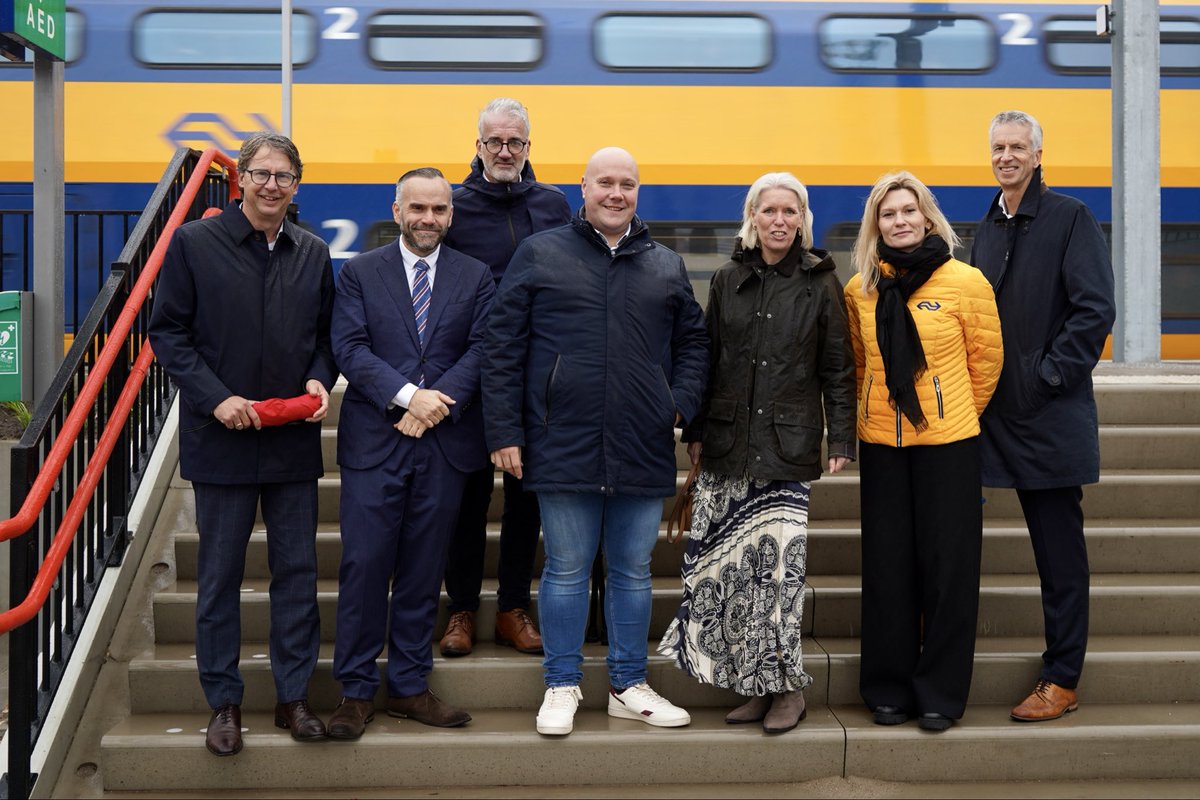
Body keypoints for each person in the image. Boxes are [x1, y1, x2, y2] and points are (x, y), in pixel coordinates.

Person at [483, 147, 708, 736]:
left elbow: (694, 343)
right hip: (561, 439)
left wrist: (677, 404)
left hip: (641, 439)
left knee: (633, 569)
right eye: (604, 182)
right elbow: (502, 346)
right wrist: (504, 430)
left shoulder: (665, 264)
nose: (616, 193)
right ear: (582, 188)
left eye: (627, 184)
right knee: (565, 569)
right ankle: (561, 683)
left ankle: (627, 685)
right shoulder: (541, 253)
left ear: (638, 192)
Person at [148, 132, 337, 756]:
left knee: (297, 575)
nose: (272, 185)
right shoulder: (193, 243)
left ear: (296, 184)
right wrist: (215, 397)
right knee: (219, 578)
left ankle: (293, 699)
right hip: (220, 439)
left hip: (289, 442)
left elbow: (326, 338)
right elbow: (168, 333)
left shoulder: (313, 252)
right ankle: (223, 703)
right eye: (261, 173)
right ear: (242, 179)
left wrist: (320, 376)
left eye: (284, 176)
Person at [658, 172, 856, 734]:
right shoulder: (728, 279)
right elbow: (709, 357)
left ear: (803, 220)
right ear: (752, 216)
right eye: (769, 210)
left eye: (790, 211)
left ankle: (789, 690)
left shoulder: (821, 282)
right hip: (726, 447)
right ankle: (755, 684)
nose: (779, 220)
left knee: (778, 579)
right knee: (732, 578)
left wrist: (841, 437)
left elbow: (837, 365)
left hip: (786, 450)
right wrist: (696, 430)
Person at [326, 168, 495, 739]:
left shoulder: (475, 275)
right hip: (375, 443)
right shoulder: (359, 272)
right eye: (417, 208)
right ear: (397, 211)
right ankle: (354, 691)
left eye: (439, 209)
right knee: (364, 566)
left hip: (443, 445)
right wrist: (408, 397)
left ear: (451, 215)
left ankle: (408, 686)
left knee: (424, 570)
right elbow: (349, 347)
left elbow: (483, 348)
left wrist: (432, 406)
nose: (428, 219)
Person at [971, 110, 1116, 722]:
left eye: (1017, 147)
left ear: (1037, 155)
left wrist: (1047, 377)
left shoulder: (1070, 217)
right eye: (998, 148)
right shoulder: (986, 226)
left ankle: (1062, 677)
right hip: (989, 417)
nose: (1006, 156)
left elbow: (1094, 310)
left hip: (1047, 414)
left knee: (1059, 557)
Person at [844, 171, 1002, 732]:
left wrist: (951, 412)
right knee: (887, 568)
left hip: (948, 445)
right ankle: (887, 689)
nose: (900, 221)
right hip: (882, 446)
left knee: (948, 570)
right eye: (888, 214)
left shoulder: (965, 282)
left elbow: (986, 363)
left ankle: (940, 693)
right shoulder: (861, 288)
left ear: (928, 217)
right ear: (876, 225)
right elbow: (859, 363)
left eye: (908, 210)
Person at [439, 98, 571, 658]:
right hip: (472, 377)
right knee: (467, 502)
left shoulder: (554, 204)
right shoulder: (456, 206)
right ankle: (462, 609)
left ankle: (513, 608)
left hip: (538, 379)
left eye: (515, 141)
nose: (504, 150)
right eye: (494, 141)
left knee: (527, 503)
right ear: (478, 146)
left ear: (527, 147)